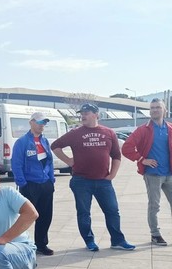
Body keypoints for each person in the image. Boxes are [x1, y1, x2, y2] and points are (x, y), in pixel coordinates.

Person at [51, 103, 135, 252]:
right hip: (81, 181)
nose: (83, 116)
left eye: (86, 113)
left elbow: (116, 155)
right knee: (84, 213)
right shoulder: (75, 133)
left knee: (112, 211)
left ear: (96, 114)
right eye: (82, 113)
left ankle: (118, 240)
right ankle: (89, 241)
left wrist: (113, 174)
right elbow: (55, 146)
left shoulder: (109, 132)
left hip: (103, 181)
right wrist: (68, 161)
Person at [122, 98, 172, 246]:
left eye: (157, 107)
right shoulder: (143, 130)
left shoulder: (170, 129)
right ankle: (155, 234)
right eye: (152, 108)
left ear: (164, 110)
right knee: (154, 206)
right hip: (153, 174)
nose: (154, 110)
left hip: (169, 174)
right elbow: (126, 148)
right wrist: (142, 159)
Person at [11, 111, 55, 255]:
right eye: (39, 122)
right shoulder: (22, 142)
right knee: (26, 217)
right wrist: (23, 183)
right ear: (31, 122)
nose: (42, 125)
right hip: (30, 185)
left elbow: (49, 161)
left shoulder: (45, 141)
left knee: (46, 216)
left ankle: (41, 244)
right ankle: (18, 244)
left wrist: (51, 179)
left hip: (45, 184)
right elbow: (16, 164)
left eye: (44, 123)